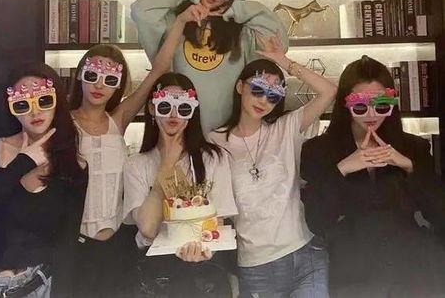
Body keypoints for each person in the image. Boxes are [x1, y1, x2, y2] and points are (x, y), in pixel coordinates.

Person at [300, 55, 445, 298]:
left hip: (413, 273)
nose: (371, 113)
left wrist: (408, 165)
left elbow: (439, 214)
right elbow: (317, 221)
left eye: (381, 105)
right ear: (345, 104)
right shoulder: (319, 150)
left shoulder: (414, 148)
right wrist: (343, 168)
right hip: (354, 276)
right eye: (360, 106)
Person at [208, 35, 337, 298]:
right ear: (240, 86)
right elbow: (215, 204)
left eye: (273, 95)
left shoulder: (285, 128)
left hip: (306, 254)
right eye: (257, 89)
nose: (263, 100)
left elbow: (329, 91)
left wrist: (284, 62)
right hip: (256, 265)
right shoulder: (215, 141)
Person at [68, 18, 184, 297]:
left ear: (118, 84)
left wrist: (181, 21)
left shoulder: (117, 119)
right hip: (74, 244)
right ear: (80, 74)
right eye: (93, 75)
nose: (99, 85)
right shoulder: (62, 123)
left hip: (119, 243)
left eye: (110, 79)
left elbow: (159, 70)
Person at [0, 63, 87, 298]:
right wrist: (22, 163)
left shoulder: (73, 165)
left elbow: (67, 244)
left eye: (44, 100)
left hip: (39, 286)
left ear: (57, 101)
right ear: (11, 108)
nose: (34, 112)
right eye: (22, 104)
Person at [131, 0, 288, 133]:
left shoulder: (242, 32)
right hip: (178, 132)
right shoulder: (173, 23)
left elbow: (279, 42)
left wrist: (233, 8)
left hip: (226, 137)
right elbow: (140, 11)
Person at [123, 72, 238, 297]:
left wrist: (203, 248)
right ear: (152, 108)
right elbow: (148, 228)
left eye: (183, 108)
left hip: (206, 272)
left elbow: (218, 220)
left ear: (193, 111)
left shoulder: (213, 158)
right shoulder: (136, 164)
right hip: (157, 277)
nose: (174, 114)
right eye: (165, 106)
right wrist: (167, 164)